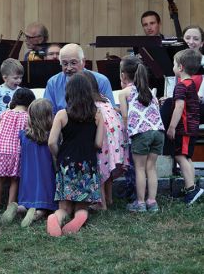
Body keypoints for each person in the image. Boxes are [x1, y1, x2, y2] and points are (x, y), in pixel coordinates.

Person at [47, 73, 103, 237]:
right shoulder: (97, 114)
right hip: (87, 165)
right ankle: (80, 217)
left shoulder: (62, 114)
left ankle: (55, 218)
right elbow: (99, 143)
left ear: (68, 92)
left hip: (66, 164)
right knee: (82, 207)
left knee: (64, 208)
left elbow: (51, 142)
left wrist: (58, 156)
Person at [119, 56, 165, 213]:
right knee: (151, 168)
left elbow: (125, 116)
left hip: (141, 133)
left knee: (139, 168)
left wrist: (126, 133)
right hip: (158, 132)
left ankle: (140, 203)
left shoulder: (124, 92)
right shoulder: (150, 92)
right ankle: (152, 202)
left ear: (123, 75)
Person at [1, 98, 58, 227]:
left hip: (27, 180)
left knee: (25, 204)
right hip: (45, 179)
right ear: (49, 117)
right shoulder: (50, 137)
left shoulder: (23, 135)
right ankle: (37, 214)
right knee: (43, 207)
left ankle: (17, 209)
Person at [81, 71, 129, 210]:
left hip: (104, 140)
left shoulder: (90, 104)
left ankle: (101, 203)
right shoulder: (104, 99)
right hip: (116, 140)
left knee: (100, 170)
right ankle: (109, 198)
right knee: (108, 171)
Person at [167, 49, 204, 205]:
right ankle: (193, 187)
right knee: (186, 157)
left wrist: (172, 127)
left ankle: (191, 189)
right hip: (192, 127)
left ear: (180, 67)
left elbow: (180, 107)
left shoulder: (182, 86)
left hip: (184, 128)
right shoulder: (191, 85)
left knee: (181, 156)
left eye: (174, 64)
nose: (173, 67)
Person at [0, 88, 36, 210]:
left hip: (1, 151)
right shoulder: (28, 117)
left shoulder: (4, 113)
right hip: (17, 153)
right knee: (14, 180)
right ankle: (10, 206)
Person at [44, 43, 115, 114]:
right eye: (65, 64)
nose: (69, 68)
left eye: (73, 63)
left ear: (83, 62)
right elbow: (48, 114)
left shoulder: (101, 81)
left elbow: (110, 112)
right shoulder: (53, 83)